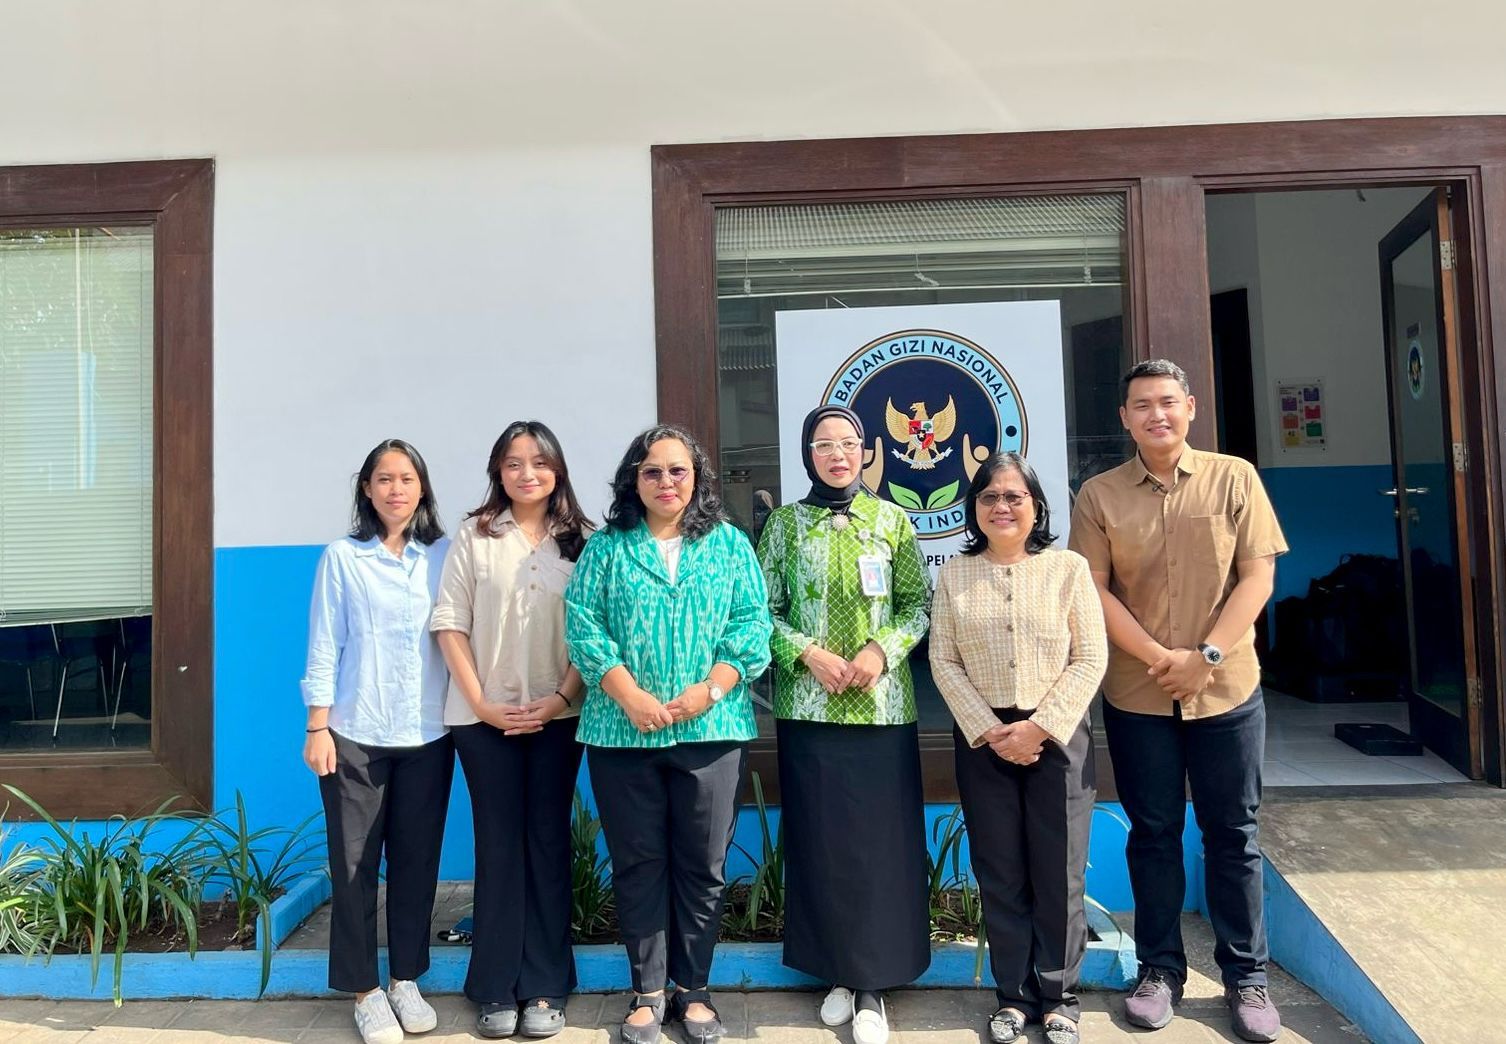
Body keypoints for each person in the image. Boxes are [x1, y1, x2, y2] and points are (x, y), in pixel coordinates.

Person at [1068, 359, 1288, 1044]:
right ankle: (1159, 971)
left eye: (1167, 402)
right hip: (1140, 694)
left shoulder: (1234, 478)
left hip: (1228, 690)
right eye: (1142, 405)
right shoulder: (1099, 495)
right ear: (1124, 418)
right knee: (1155, 834)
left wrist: (1206, 657)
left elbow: (1257, 577)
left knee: (1233, 835)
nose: (1156, 415)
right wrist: (1163, 659)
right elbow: (1094, 590)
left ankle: (1247, 978)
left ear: (1190, 407)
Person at [564, 424, 772, 1044]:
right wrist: (629, 696)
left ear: (697, 478)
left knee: (703, 866)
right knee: (638, 863)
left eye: (678, 470)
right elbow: (583, 625)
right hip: (622, 734)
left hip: (711, 731)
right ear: (634, 480)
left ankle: (694, 990)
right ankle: (648, 992)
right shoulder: (607, 549)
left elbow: (751, 625)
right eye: (652, 471)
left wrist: (711, 689)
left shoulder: (729, 545)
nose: (665, 482)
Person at [755, 405, 932, 1044]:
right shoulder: (783, 526)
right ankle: (836, 970)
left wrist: (881, 650)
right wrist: (808, 653)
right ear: (808, 454)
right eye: (824, 444)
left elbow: (917, 605)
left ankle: (872, 984)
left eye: (848, 443)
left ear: (866, 451)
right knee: (822, 843)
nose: (837, 454)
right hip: (809, 709)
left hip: (881, 710)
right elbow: (760, 611)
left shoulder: (892, 520)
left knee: (880, 848)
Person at [929, 452, 1106, 1044]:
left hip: (1058, 736)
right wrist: (989, 729)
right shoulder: (955, 575)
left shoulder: (1068, 569)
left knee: (1059, 872)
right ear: (973, 509)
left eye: (1014, 496)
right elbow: (943, 660)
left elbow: (1090, 657)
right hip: (984, 739)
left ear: (1037, 507)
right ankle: (1012, 997)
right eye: (989, 497)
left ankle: (1059, 998)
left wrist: (1040, 727)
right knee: (1000, 870)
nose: (1001, 507)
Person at [431, 421, 592, 1039]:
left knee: (548, 842)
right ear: (498, 472)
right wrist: (482, 703)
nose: (528, 473)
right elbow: (450, 623)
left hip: (559, 717)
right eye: (514, 463)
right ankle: (495, 985)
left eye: (540, 462)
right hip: (482, 721)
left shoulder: (582, 540)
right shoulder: (474, 536)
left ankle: (546, 985)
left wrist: (559, 699)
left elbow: (591, 632)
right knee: (498, 846)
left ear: (558, 470)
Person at [301, 439, 453, 1044]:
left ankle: (406, 979)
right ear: (366, 488)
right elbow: (324, 643)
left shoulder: (442, 555)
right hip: (354, 734)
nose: (396, 489)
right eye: (384, 479)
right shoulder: (343, 558)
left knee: (417, 863)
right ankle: (365, 990)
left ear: (422, 488)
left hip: (429, 732)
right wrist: (317, 726)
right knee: (354, 866)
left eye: (407, 478)